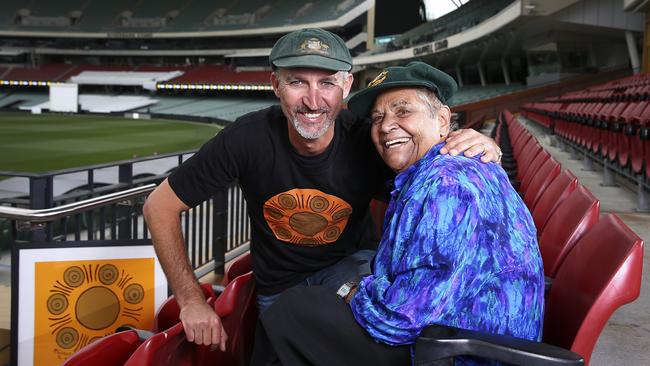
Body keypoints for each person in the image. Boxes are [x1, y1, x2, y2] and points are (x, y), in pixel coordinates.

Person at [143, 29, 502, 350]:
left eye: (327, 83)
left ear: (346, 86)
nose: (313, 101)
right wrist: (190, 298)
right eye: (297, 81)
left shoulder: (372, 137)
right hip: (280, 287)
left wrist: (467, 143)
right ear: (275, 85)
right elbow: (159, 206)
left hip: (350, 269)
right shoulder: (245, 139)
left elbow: (428, 166)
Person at [251, 62, 544, 366]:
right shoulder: (442, 170)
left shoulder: (448, 184)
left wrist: (352, 292)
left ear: (442, 120)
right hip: (454, 334)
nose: (386, 125)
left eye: (403, 111)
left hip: (458, 354)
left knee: (294, 310)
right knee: (309, 307)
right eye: (378, 117)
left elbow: (400, 321)